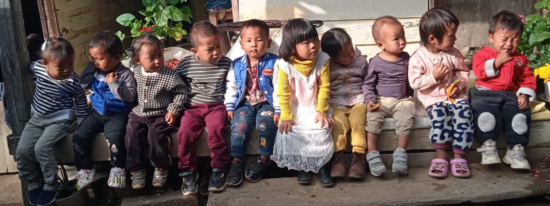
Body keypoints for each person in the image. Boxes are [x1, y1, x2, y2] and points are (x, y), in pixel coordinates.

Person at [15, 37, 88, 205]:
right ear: (45, 63)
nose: (66, 70)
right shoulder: (39, 68)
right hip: (36, 119)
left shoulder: (73, 80)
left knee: (42, 147)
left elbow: (81, 100)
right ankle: (32, 181)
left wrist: (82, 118)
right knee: (22, 150)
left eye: (70, 64)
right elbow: (29, 65)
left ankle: (51, 182)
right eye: (60, 66)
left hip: (59, 120)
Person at [408, 8, 473, 178]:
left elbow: (462, 71)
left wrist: (459, 84)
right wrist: (433, 77)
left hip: (455, 97)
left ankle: (459, 157)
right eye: (451, 36)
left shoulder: (453, 53)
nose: (455, 39)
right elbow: (415, 83)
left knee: (464, 114)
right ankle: (441, 156)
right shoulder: (418, 58)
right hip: (433, 99)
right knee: (439, 118)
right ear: (432, 39)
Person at [271, 18, 334, 187]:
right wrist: (286, 116)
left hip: (315, 106)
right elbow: (283, 93)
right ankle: (303, 167)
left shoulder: (323, 60)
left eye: (315, 40)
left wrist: (321, 111)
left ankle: (323, 166)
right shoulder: (285, 64)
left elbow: (324, 88)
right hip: (295, 108)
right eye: (306, 43)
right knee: (291, 131)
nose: (313, 45)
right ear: (292, 46)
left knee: (322, 129)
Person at [471, 11, 536, 170]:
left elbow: (527, 77)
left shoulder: (520, 59)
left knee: (519, 115)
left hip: (510, 95)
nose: (509, 44)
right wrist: (496, 62)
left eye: (515, 39)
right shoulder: (483, 54)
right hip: (485, 93)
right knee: (485, 114)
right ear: (491, 37)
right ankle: (488, 145)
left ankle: (515, 150)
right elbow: (479, 72)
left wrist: (525, 93)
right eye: (505, 39)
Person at [73, 31, 137, 190]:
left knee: (116, 139)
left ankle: (117, 169)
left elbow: (129, 96)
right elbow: (84, 86)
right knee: (79, 136)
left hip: (118, 115)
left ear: (117, 57)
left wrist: (113, 84)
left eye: (99, 59)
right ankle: (84, 169)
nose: (95, 62)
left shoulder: (125, 74)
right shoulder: (93, 73)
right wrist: (90, 67)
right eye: (92, 58)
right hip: (96, 114)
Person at [175, 21, 232, 195]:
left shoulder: (226, 63)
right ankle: (188, 172)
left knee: (216, 131)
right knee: (184, 133)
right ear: (195, 51)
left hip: (217, 106)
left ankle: (219, 169)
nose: (216, 53)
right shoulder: (186, 65)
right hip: (193, 108)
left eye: (219, 46)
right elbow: (177, 85)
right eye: (209, 49)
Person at [125, 33, 187, 189]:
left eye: (160, 55)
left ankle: (161, 167)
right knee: (131, 135)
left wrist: (173, 110)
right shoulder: (136, 72)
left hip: (161, 113)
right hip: (139, 113)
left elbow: (181, 92)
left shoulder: (169, 75)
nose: (158, 61)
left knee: (156, 135)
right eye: (151, 58)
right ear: (138, 61)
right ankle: (136, 170)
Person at [224, 19, 279, 186]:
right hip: (245, 103)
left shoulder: (275, 62)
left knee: (266, 124)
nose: (254, 45)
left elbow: (279, 87)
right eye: (248, 41)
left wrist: (278, 109)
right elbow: (231, 86)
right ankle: (236, 161)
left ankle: (264, 159)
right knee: (238, 126)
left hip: (267, 103)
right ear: (241, 44)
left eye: (259, 40)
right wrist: (230, 105)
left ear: (268, 42)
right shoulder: (236, 64)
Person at [363, 16, 415, 176]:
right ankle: (372, 153)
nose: (402, 41)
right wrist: (369, 100)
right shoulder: (376, 62)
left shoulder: (406, 58)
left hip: (401, 100)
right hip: (381, 100)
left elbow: (409, 79)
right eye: (396, 39)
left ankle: (400, 153)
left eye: (403, 36)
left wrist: (410, 95)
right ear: (381, 44)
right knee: (373, 119)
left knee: (407, 117)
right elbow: (368, 83)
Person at [320, 28, 368, 179]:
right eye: (346, 55)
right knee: (339, 123)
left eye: (351, 49)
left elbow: (368, 81)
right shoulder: (327, 65)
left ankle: (359, 156)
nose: (351, 55)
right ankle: (337, 157)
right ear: (333, 58)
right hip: (335, 100)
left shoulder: (360, 61)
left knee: (357, 121)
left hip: (358, 99)